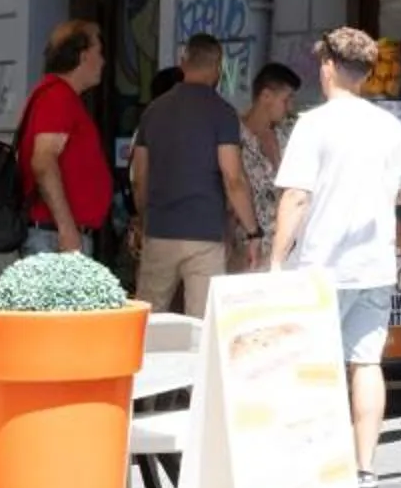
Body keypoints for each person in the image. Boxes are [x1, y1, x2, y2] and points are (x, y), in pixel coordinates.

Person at [270, 27, 401, 488]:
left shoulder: (313, 124)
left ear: (329, 66)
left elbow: (295, 195)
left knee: (315, 366)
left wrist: (275, 262)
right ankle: (365, 472)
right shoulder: (388, 126)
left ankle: (313, 465)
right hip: (375, 262)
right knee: (366, 363)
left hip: (321, 266)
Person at [128, 34, 255, 316]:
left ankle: (149, 362)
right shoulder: (223, 113)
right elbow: (233, 178)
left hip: (160, 230)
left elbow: (139, 177)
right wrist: (252, 231)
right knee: (202, 324)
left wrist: (146, 217)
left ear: (182, 63)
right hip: (205, 234)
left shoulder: (153, 112)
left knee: (150, 320)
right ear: (217, 67)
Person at [15, 20, 111, 256]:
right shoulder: (58, 97)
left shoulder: (57, 95)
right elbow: (43, 162)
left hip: (55, 235)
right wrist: (67, 228)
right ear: (83, 56)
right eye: (99, 52)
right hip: (55, 238)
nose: (103, 61)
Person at [233, 61, 302, 272]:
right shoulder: (233, 135)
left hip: (288, 246)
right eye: (286, 99)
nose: (290, 106)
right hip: (247, 247)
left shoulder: (288, 133)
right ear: (265, 96)